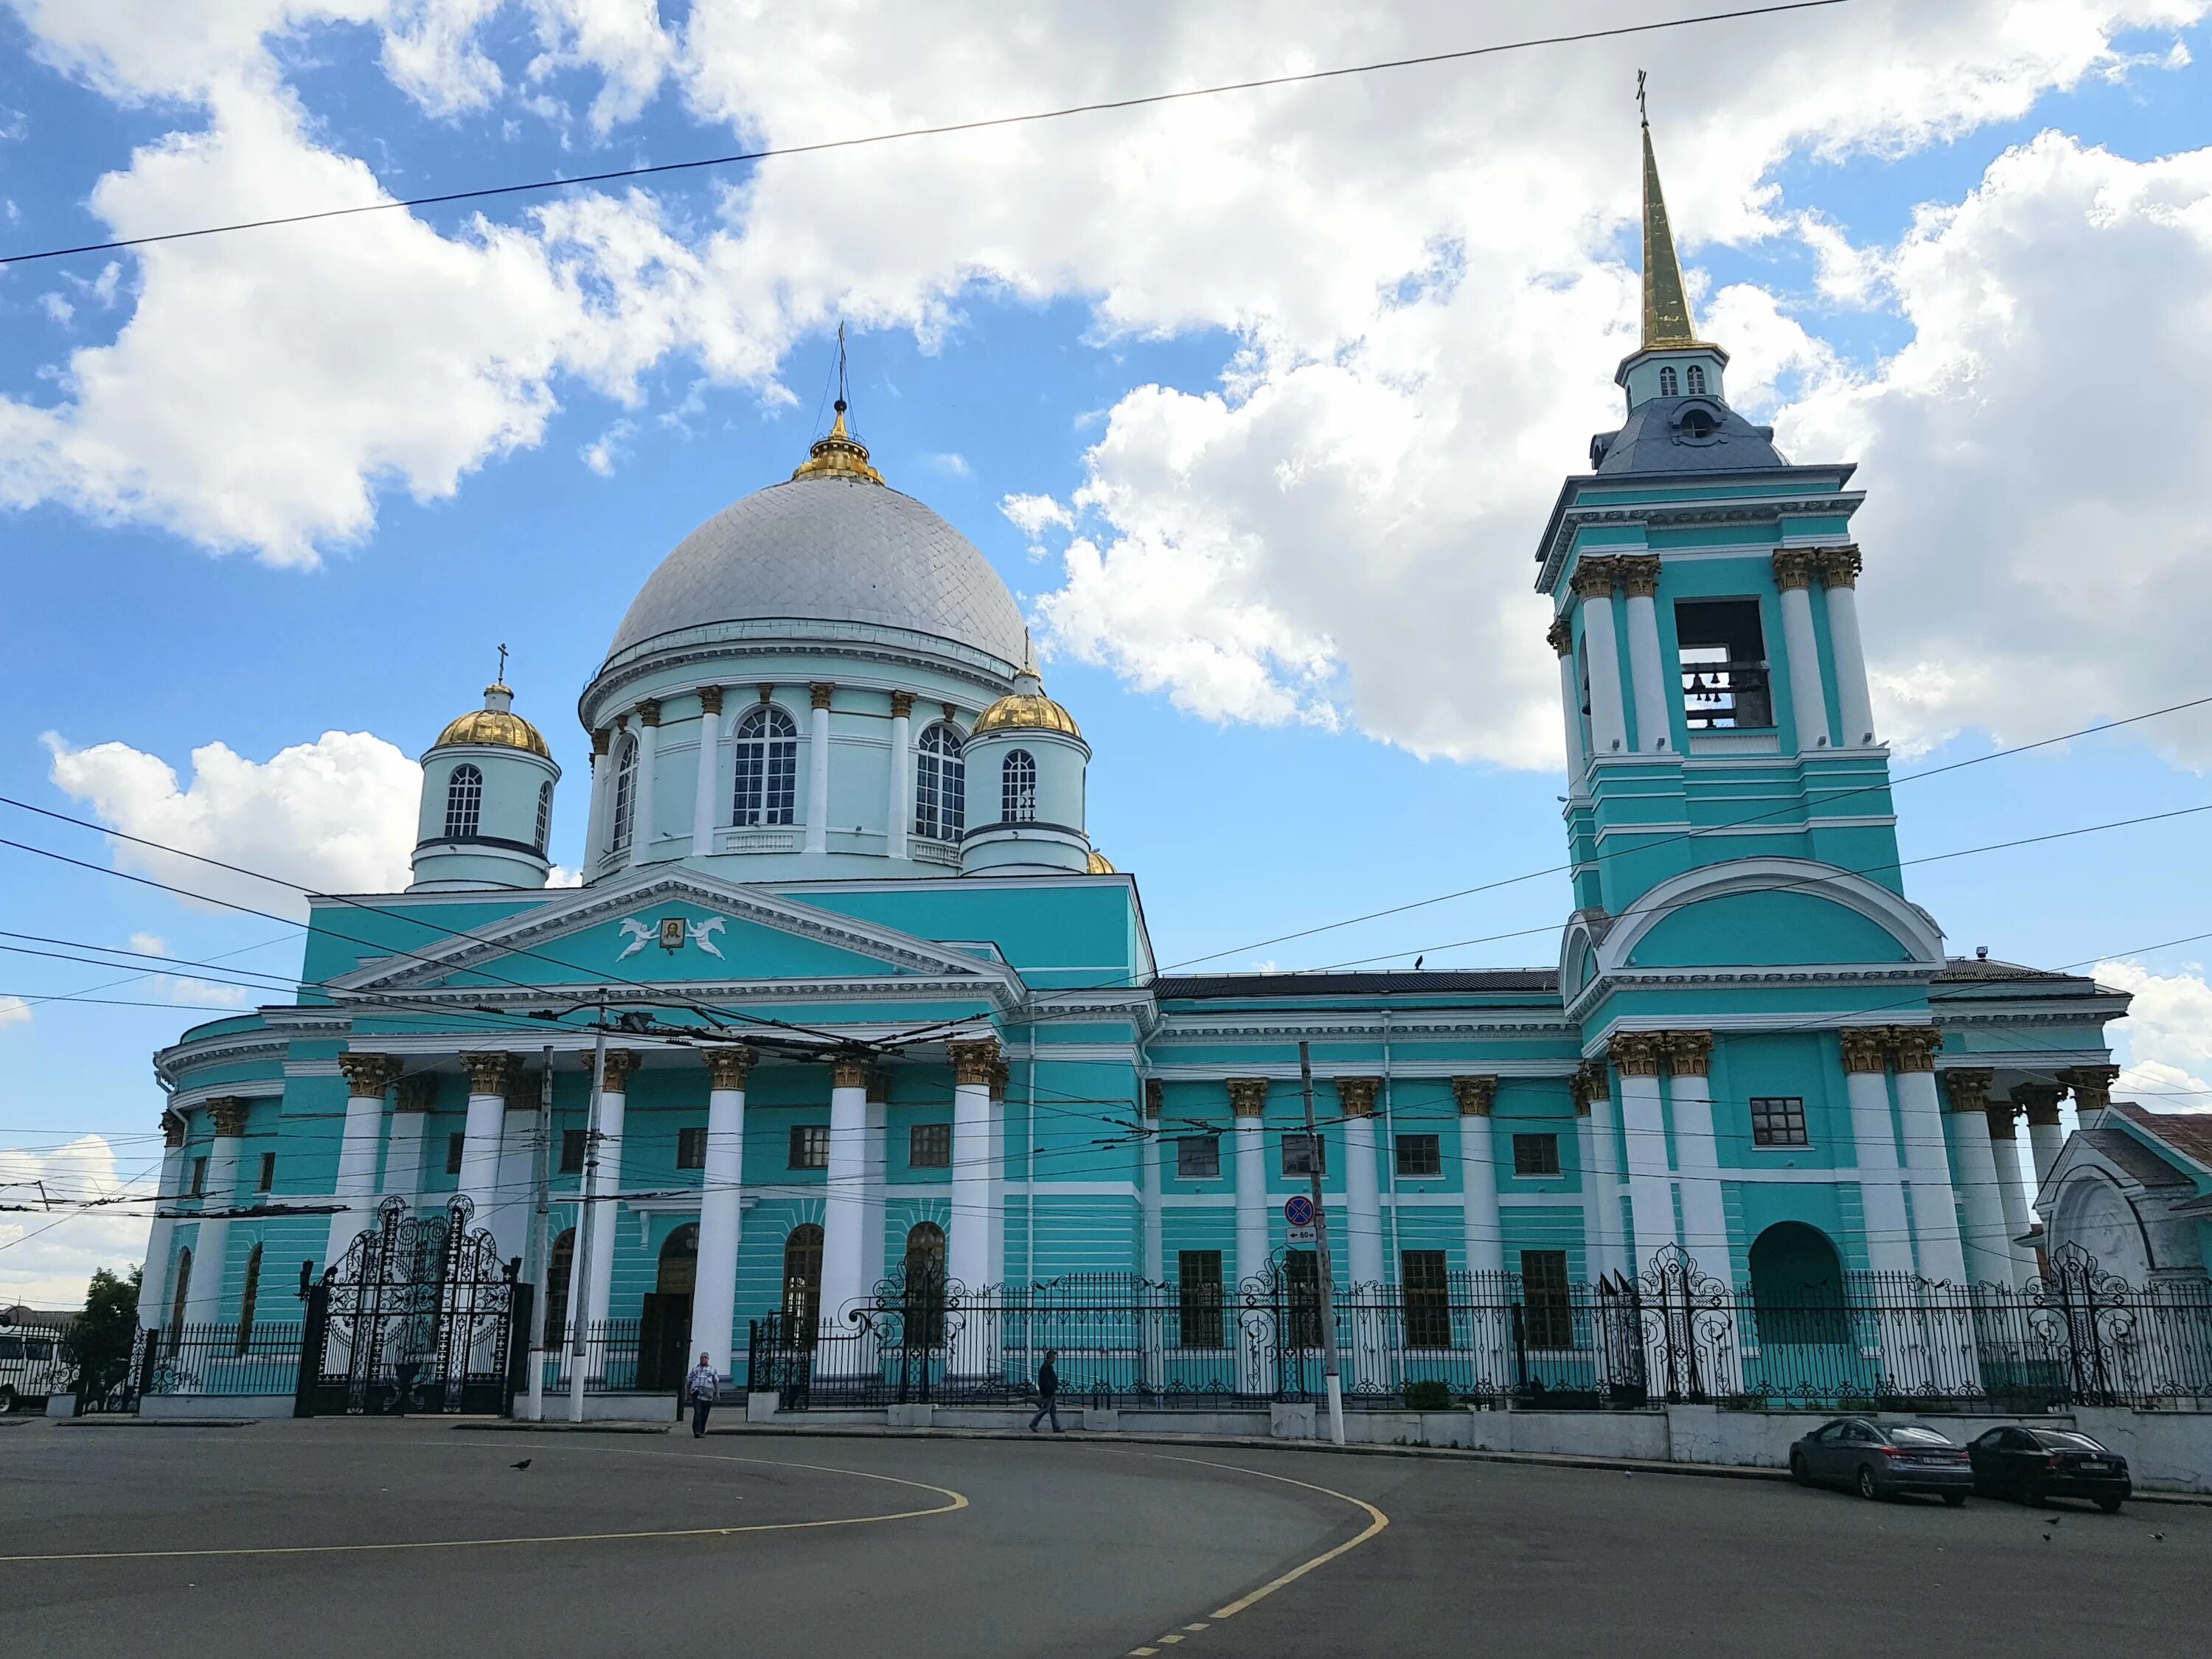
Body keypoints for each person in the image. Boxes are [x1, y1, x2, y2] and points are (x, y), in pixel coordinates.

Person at [686, 1352, 719, 1438]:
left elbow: (716, 1382)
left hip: (708, 1395)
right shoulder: (695, 1370)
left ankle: (701, 1430)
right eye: (702, 1357)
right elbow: (689, 1382)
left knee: (705, 1413)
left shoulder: (712, 1370)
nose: (703, 1359)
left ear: (708, 1359)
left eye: (705, 1357)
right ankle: (696, 1431)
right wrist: (687, 1393)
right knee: (698, 1412)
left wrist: (718, 1394)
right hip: (696, 1393)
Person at [1029, 1349, 1061, 1433]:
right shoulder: (1046, 1367)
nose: (1055, 1358)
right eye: (1054, 1356)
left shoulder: (1047, 1366)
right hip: (1048, 1393)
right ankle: (1033, 1424)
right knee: (1045, 1409)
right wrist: (1052, 1390)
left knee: (1053, 1410)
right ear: (1050, 1357)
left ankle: (1056, 1427)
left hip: (1050, 1392)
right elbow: (1046, 1382)